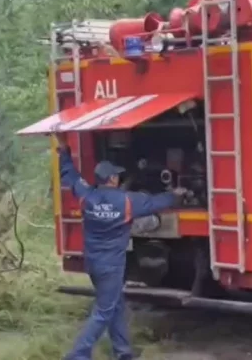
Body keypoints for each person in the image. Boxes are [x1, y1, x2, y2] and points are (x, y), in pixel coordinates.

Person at [55, 133, 186, 360]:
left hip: (93, 263)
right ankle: (78, 354)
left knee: (114, 304)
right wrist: (176, 196)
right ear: (113, 179)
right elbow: (157, 202)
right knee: (104, 311)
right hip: (112, 265)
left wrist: (64, 152)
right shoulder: (127, 201)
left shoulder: (87, 196)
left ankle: (123, 353)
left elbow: (70, 176)